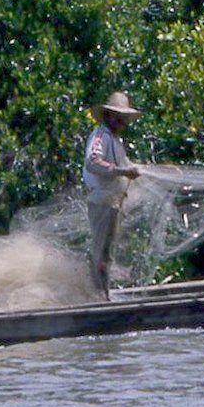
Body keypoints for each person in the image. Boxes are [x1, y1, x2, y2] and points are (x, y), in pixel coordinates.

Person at [83, 91, 142, 296]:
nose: (122, 122)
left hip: (113, 203)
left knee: (107, 253)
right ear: (108, 116)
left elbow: (124, 166)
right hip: (101, 201)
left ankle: (103, 294)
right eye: (118, 117)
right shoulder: (100, 136)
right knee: (100, 252)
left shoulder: (115, 140)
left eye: (124, 118)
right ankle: (96, 296)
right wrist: (123, 172)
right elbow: (93, 162)